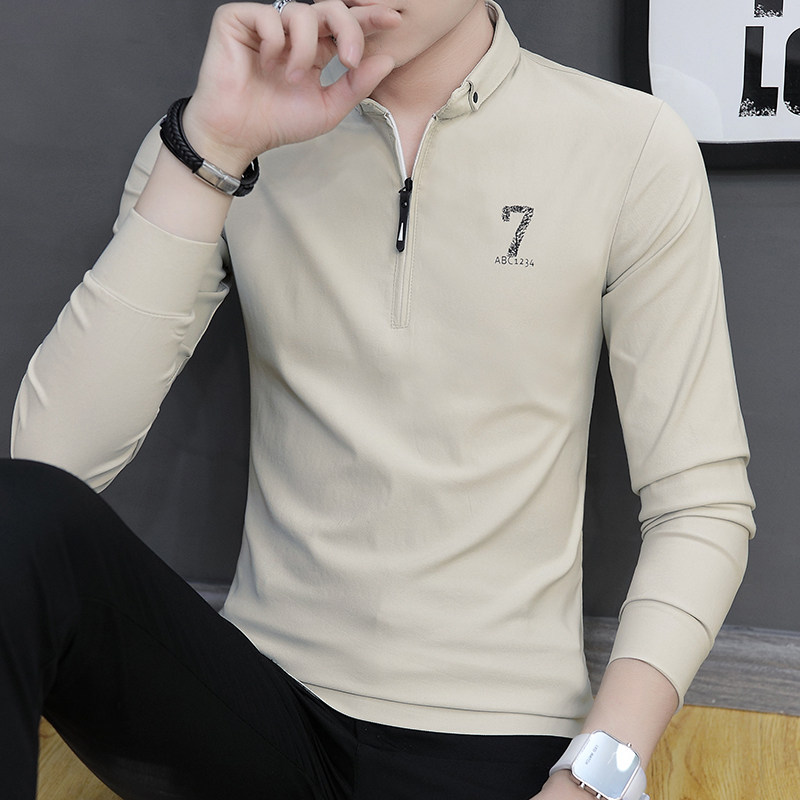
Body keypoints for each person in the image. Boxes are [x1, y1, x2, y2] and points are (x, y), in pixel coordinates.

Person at [3, 1, 755, 798]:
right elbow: (48, 471)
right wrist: (215, 148)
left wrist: (594, 779)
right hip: (261, 713)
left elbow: (701, 506)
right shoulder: (218, 137)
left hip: (500, 738)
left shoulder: (628, 144)